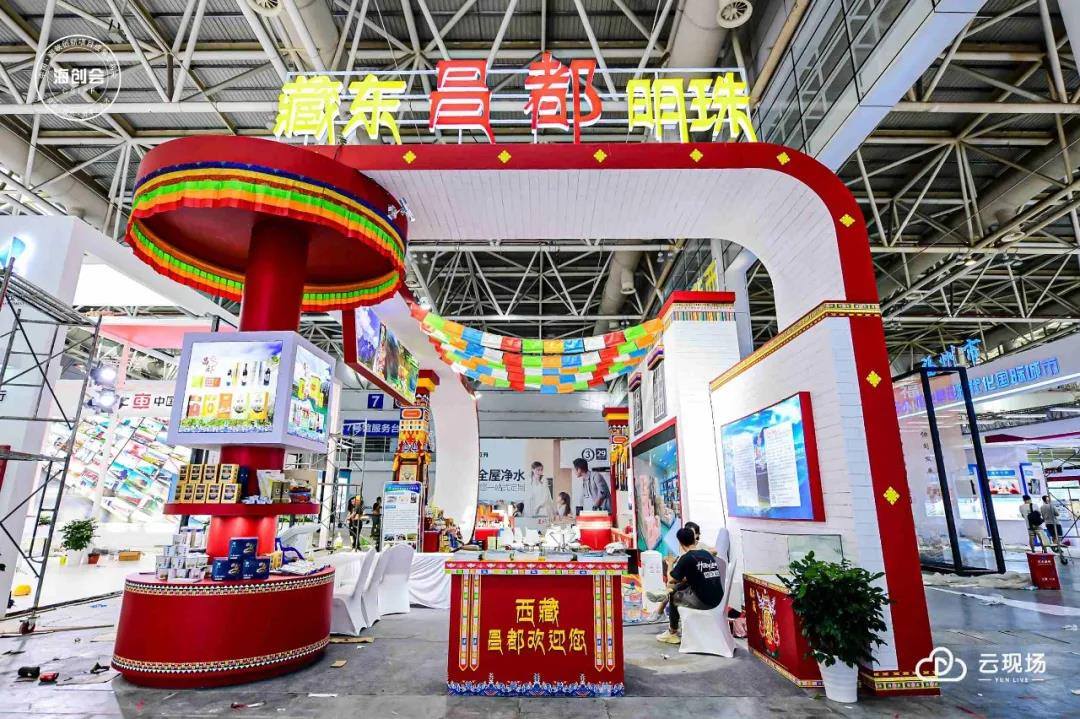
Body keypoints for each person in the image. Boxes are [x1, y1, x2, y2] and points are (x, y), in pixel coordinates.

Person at [655, 527, 725, 644]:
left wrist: (670, 563)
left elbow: (671, 580)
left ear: (680, 543)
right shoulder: (706, 553)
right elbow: (697, 576)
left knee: (673, 596)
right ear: (694, 539)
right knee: (679, 587)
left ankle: (672, 633)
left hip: (705, 602)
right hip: (719, 598)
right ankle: (660, 611)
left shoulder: (686, 558)